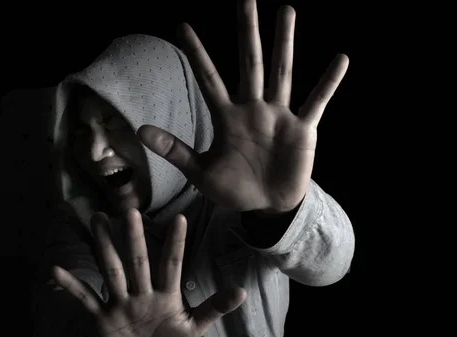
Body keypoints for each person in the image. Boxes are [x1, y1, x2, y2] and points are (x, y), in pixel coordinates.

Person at [32, 0, 355, 336]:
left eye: (113, 122)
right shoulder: (79, 227)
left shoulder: (244, 198)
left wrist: (281, 211)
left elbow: (332, 265)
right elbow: (58, 306)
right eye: (82, 132)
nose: (95, 152)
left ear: (168, 115)